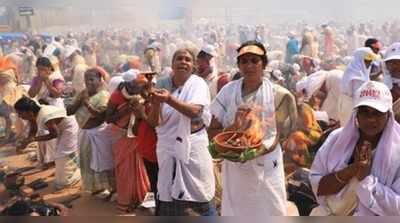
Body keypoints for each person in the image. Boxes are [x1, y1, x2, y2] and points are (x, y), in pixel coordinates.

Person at [209, 41, 287, 216]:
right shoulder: (228, 93)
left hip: (268, 164)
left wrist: (254, 151)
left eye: (254, 60)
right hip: (236, 166)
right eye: (244, 61)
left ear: (264, 64)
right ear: (238, 65)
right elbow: (212, 132)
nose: (249, 65)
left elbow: (279, 135)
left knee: (271, 209)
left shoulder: (278, 94)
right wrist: (235, 127)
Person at [309, 81, 400, 216]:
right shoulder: (337, 139)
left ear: (388, 115)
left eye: (377, 113)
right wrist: (351, 170)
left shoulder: (397, 152)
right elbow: (319, 187)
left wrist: (365, 179)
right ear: (356, 114)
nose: (371, 119)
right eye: (365, 112)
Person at [149, 48, 216, 216]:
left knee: (198, 195)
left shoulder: (197, 84)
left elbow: (195, 112)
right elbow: (154, 123)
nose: (183, 62)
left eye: (187, 59)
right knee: (168, 196)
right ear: (172, 64)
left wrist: (169, 99)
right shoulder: (163, 85)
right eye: (179, 58)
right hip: (167, 149)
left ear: (193, 65)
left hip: (192, 150)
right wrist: (156, 104)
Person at [105, 69, 150, 214]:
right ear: (128, 84)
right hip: (121, 136)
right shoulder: (117, 96)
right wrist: (127, 109)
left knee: (139, 168)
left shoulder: (142, 92)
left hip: (136, 136)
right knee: (124, 170)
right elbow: (108, 118)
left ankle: (139, 197)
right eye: (136, 84)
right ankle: (126, 201)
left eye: (140, 84)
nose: (138, 87)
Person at [14, 97, 80, 190]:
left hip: (70, 128)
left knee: (63, 157)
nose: (19, 116)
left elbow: (54, 134)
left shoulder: (45, 116)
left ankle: (79, 172)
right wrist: (26, 141)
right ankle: (70, 170)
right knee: (60, 155)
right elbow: (33, 128)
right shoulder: (33, 114)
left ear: (29, 111)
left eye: (20, 113)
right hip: (61, 129)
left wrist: (33, 139)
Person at [67, 68, 115, 196]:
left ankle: (110, 189)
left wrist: (87, 104)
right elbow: (69, 111)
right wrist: (79, 101)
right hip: (84, 133)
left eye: (91, 79)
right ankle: (95, 188)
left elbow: (101, 116)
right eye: (86, 80)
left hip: (99, 134)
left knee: (103, 162)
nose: (88, 82)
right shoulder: (83, 93)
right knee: (87, 161)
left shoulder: (104, 95)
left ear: (100, 80)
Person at [340, 47, 379, 126]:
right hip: (352, 107)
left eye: (370, 61)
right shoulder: (356, 76)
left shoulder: (355, 72)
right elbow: (359, 96)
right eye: (367, 61)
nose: (369, 64)